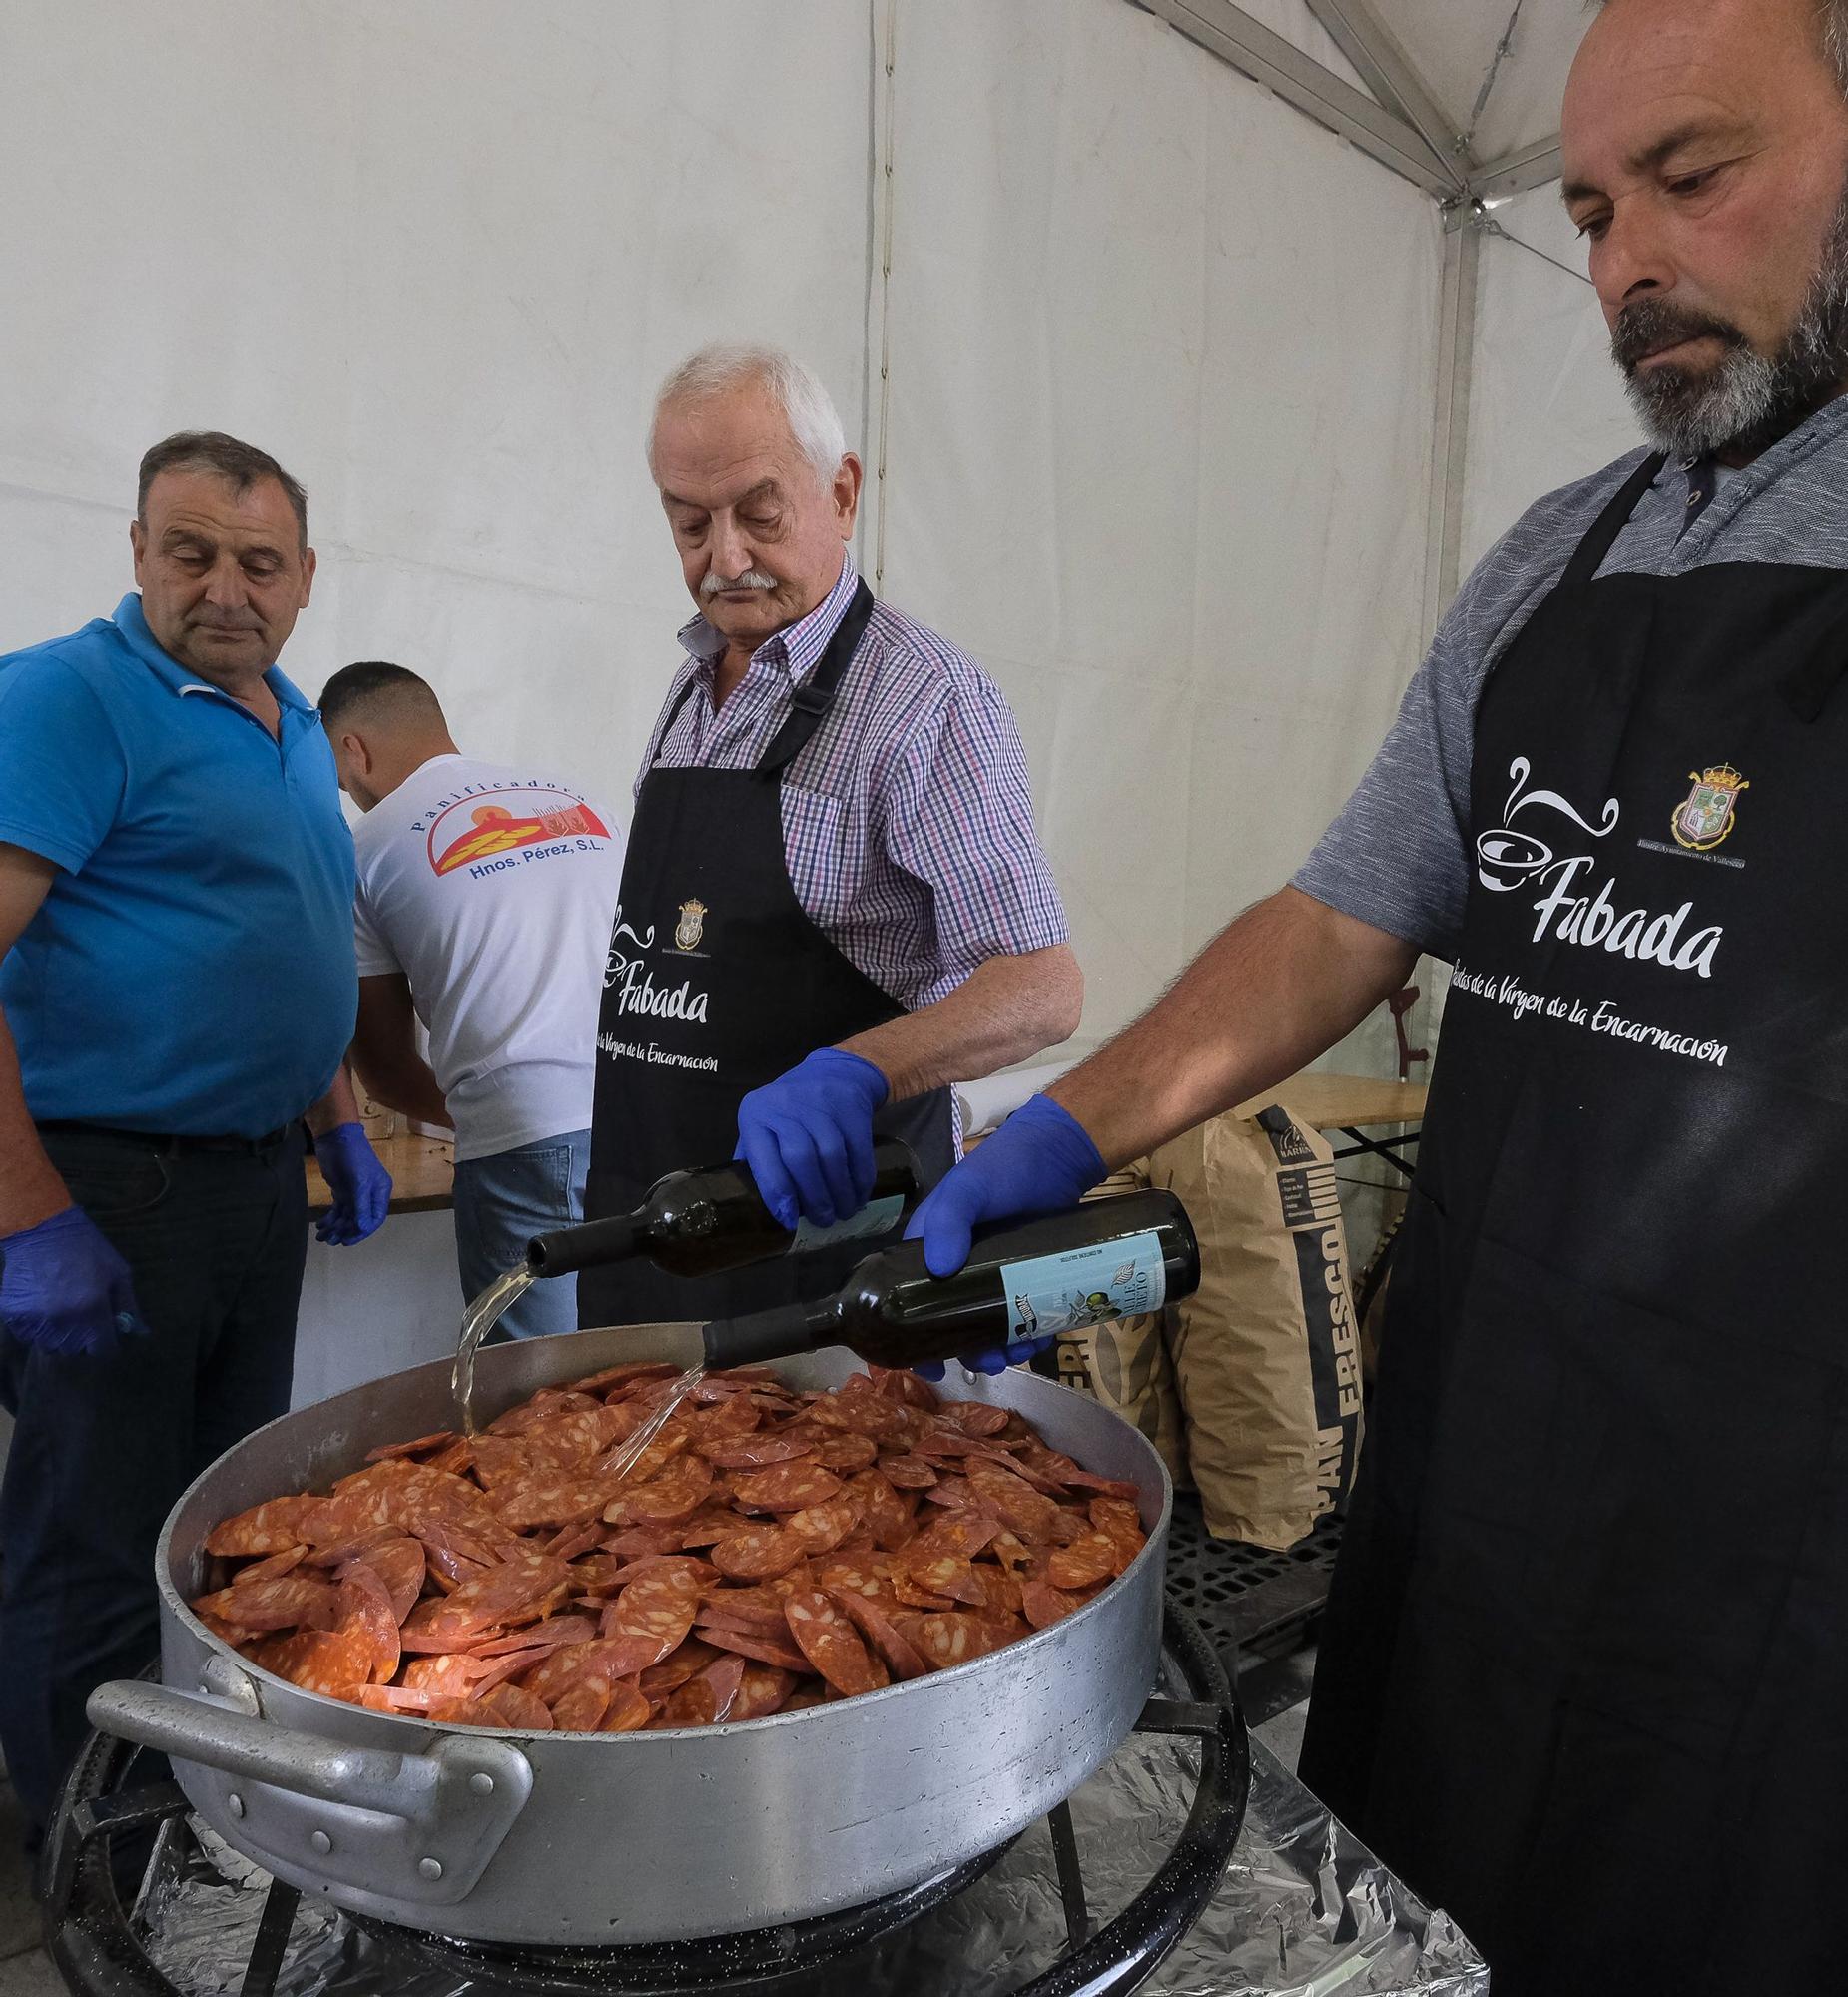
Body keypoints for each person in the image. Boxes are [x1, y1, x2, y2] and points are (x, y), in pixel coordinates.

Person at [909, 0, 1848, 1987]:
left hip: (1770, 1538)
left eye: (1693, 175)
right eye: (1588, 210)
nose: (1622, 267)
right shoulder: (1548, 562)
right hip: (1481, 1464)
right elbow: (1345, 918)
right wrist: (1064, 1129)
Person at [0, 431, 389, 1834]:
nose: (225, 588)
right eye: (192, 553)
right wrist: (32, 1218)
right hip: (111, 1186)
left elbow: (280, 948)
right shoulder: (66, 699)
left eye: (259, 562)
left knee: (222, 1524)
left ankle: (186, 1810)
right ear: (138, 554)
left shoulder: (286, 722)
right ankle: (81, 1848)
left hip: (248, 1188)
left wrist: (335, 1117)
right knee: (92, 1541)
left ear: (302, 582)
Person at [585, 341, 1081, 1325]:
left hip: (821, 1259)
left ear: (841, 492)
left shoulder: (925, 698)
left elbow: (1041, 984)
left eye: (759, 514)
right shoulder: (692, 686)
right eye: (691, 524)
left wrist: (861, 1070)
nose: (724, 559)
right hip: (648, 1228)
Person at [320, 661, 623, 1336]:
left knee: (539, 1405)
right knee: (652, 1363)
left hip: (526, 1132)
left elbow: (386, 1072)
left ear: (353, 751)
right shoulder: (577, 796)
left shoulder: (361, 849)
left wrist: (487, 1120)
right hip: (656, 1115)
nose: (351, 795)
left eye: (343, 783)